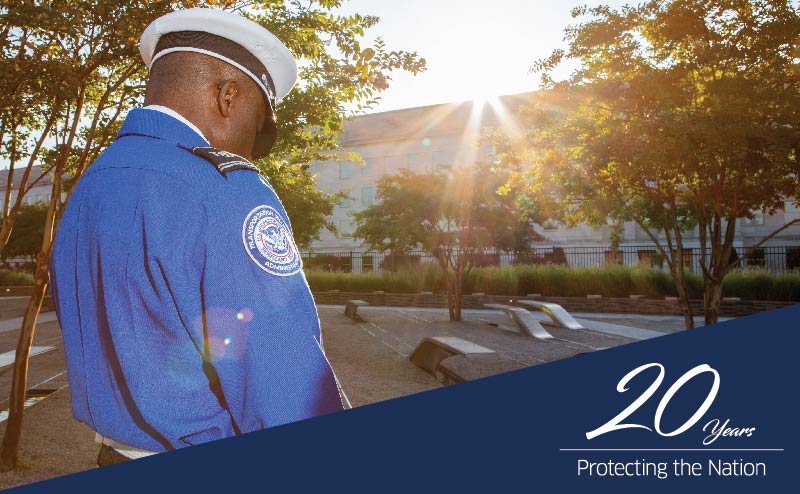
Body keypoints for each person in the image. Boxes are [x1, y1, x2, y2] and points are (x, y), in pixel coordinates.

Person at [49, 8, 345, 467]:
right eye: (259, 128)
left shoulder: (90, 185)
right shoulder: (226, 190)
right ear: (228, 95)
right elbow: (286, 387)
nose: (253, 148)